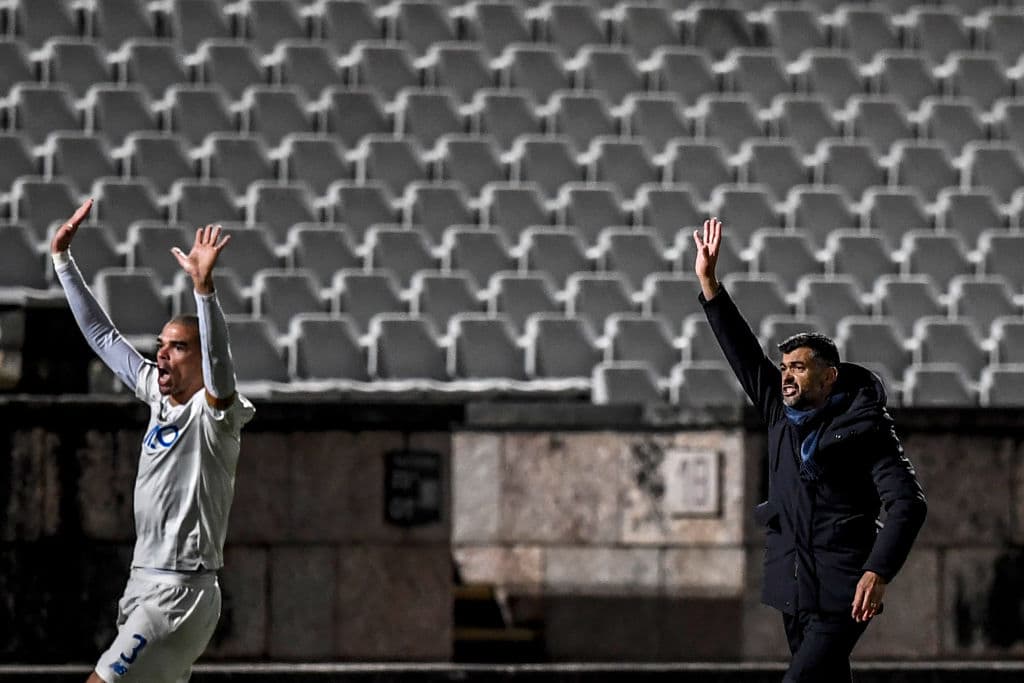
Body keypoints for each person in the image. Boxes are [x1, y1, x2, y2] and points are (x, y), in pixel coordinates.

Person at [692, 217, 927, 681]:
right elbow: (743, 352)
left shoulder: (865, 426)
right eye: (784, 367)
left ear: (829, 376)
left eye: (798, 368)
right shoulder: (779, 413)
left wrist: (877, 572)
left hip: (843, 590)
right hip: (795, 586)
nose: (786, 375)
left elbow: (908, 503)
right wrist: (710, 283)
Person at [52, 198, 255, 683]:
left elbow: (220, 362)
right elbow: (103, 338)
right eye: (161, 345)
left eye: (177, 347)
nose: (162, 354)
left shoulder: (214, 415)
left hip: (177, 593)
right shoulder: (157, 395)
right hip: (144, 583)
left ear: (200, 361)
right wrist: (63, 261)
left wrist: (204, 290)